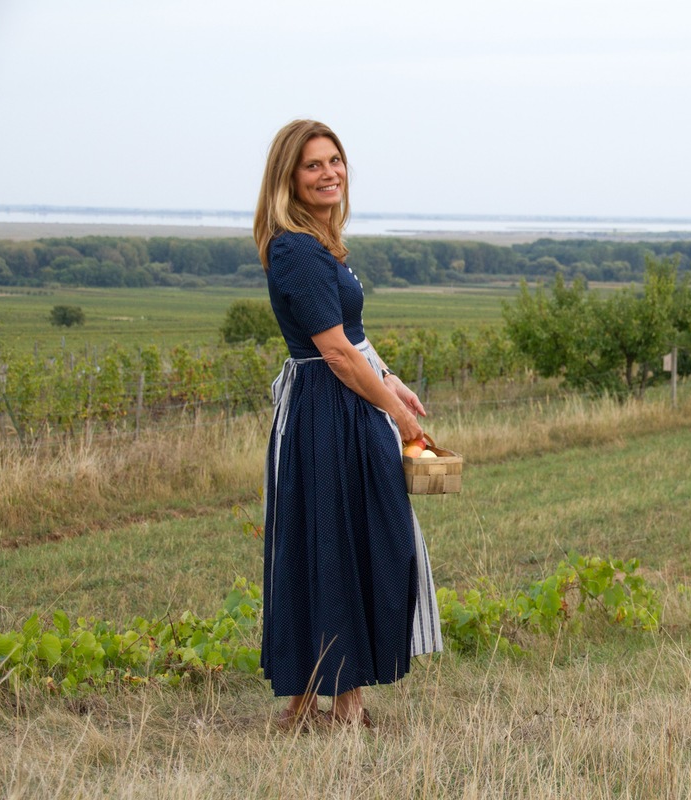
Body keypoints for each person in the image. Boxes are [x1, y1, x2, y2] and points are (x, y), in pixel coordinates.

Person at [253, 119, 442, 729]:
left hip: (346, 402)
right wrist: (396, 416)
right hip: (326, 413)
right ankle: (337, 704)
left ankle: (318, 702)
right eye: (313, 165)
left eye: (335, 161)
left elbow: (352, 340)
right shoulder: (297, 249)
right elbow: (333, 352)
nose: (330, 172)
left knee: (346, 539)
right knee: (333, 541)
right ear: (289, 177)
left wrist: (389, 380)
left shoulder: (320, 244)